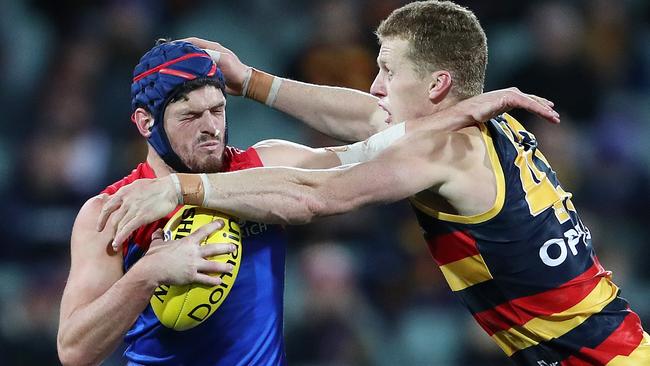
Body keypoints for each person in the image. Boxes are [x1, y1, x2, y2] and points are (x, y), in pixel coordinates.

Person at [99, 1, 650, 365]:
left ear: (437, 85)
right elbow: (371, 119)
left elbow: (314, 197)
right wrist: (252, 82)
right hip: (615, 344)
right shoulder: (483, 121)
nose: (374, 83)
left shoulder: (441, 148)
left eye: (388, 70)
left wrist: (181, 190)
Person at [56, 37, 553, 366]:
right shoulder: (112, 210)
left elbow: (377, 138)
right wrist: (146, 275)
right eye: (189, 117)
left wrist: (462, 112)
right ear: (146, 124)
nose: (210, 128)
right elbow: (74, 350)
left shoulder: (266, 162)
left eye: (218, 110)